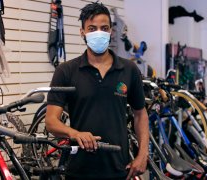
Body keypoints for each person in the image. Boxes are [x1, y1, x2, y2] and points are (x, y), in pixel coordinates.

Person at [45, 2, 149, 180]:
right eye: (92, 28)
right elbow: (51, 121)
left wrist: (142, 155)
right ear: (82, 32)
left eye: (104, 28)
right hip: (79, 169)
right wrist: (75, 134)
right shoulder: (66, 71)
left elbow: (140, 114)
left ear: (111, 32)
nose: (98, 33)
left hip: (119, 168)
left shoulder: (129, 69)